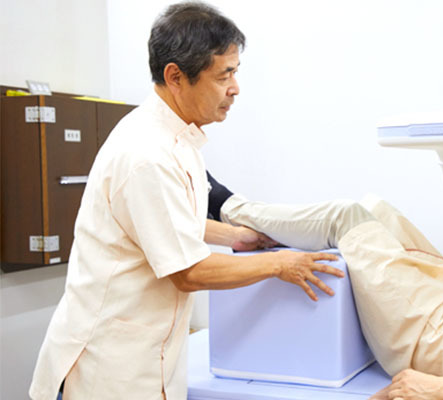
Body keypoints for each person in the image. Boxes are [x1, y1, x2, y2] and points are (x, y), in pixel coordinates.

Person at [29, 3, 344, 400]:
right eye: (224, 75)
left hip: (147, 359)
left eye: (236, 72)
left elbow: (170, 221)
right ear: (175, 76)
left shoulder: (180, 140)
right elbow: (189, 271)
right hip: (108, 372)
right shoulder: (147, 154)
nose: (235, 88)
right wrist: (281, 263)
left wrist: (235, 236)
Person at [207, 190, 443, 399]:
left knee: (346, 217)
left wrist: (437, 390)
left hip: (436, 333)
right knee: (375, 208)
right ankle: (258, 232)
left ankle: (224, 206)